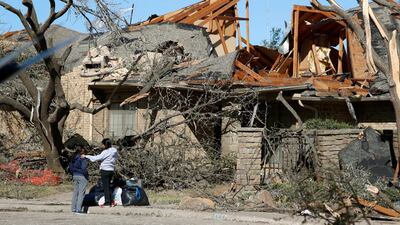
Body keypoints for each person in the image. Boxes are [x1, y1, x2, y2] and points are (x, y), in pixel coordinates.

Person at [82, 138, 118, 207]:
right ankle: (110, 201)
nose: (101, 146)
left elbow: (97, 158)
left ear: (105, 145)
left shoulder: (105, 152)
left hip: (105, 170)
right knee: (109, 186)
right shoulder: (114, 150)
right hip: (111, 170)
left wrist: (86, 156)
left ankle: (107, 202)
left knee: (105, 187)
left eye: (102, 144)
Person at [70, 145, 89, 214]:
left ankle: (73, 208)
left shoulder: (73, 157)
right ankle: (78, 209)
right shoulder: (83, 158)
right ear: (82, 150)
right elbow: (84, 168)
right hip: (82, 176)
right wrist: (86, 175)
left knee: (75, 192)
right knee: (81, 193)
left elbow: (70, 168)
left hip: (75, 175)